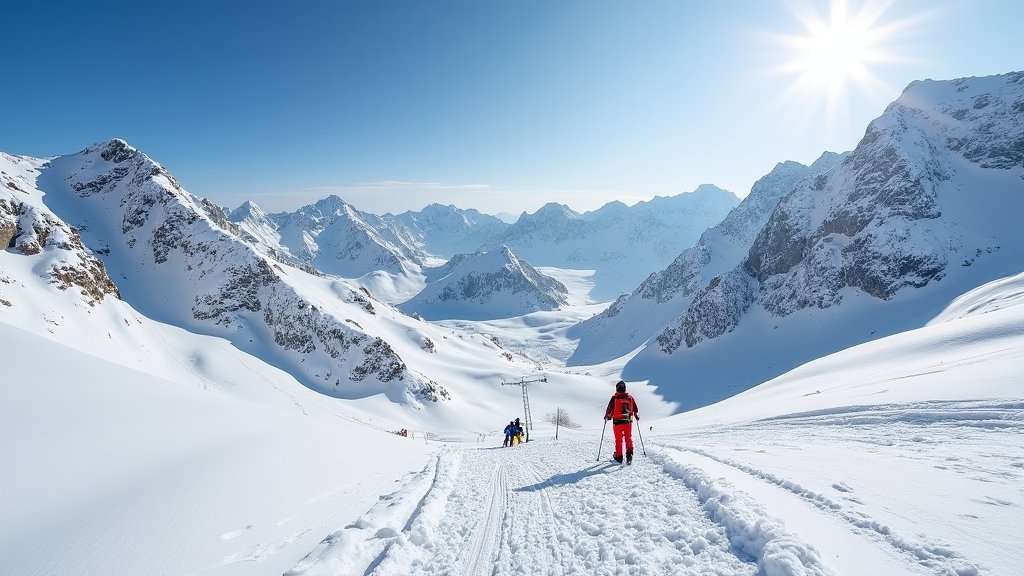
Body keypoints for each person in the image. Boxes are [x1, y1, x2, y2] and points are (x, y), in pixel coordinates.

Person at [604, 380, 639, 464]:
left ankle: (619, 456)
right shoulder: (630, 398)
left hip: (617, 422)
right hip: (628, 421)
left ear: (617, 389)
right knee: (628, 437)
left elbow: (610, 410)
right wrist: (636, 416)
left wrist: (607, 417)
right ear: (625, 389)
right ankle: (629, 454)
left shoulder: (614, 398)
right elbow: (635, 409)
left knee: (618, 439)